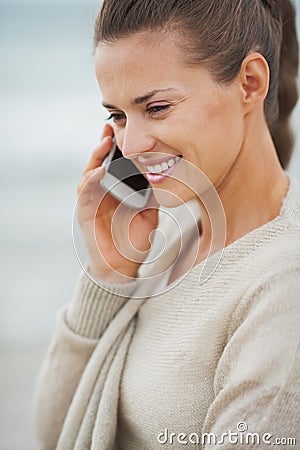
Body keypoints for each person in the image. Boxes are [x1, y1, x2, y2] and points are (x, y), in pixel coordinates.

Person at [33, 0, 300, 449]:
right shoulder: (177, 236)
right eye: (116, 116)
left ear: (250, 83)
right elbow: (57, 431)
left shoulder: (284, 286)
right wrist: (107, 274)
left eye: (156, 108)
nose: (131, 145)